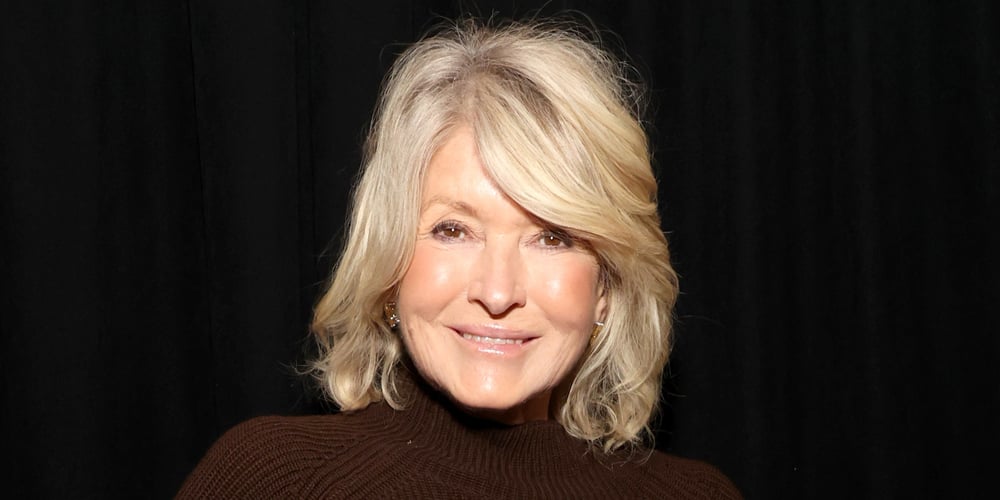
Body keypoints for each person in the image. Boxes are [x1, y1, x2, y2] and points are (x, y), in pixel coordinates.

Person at [178, 17, 740, 499]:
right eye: (453, 230)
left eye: (552, 238)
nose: (497, 292)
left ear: (606, 289)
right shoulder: (273, 480)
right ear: (390, 264)